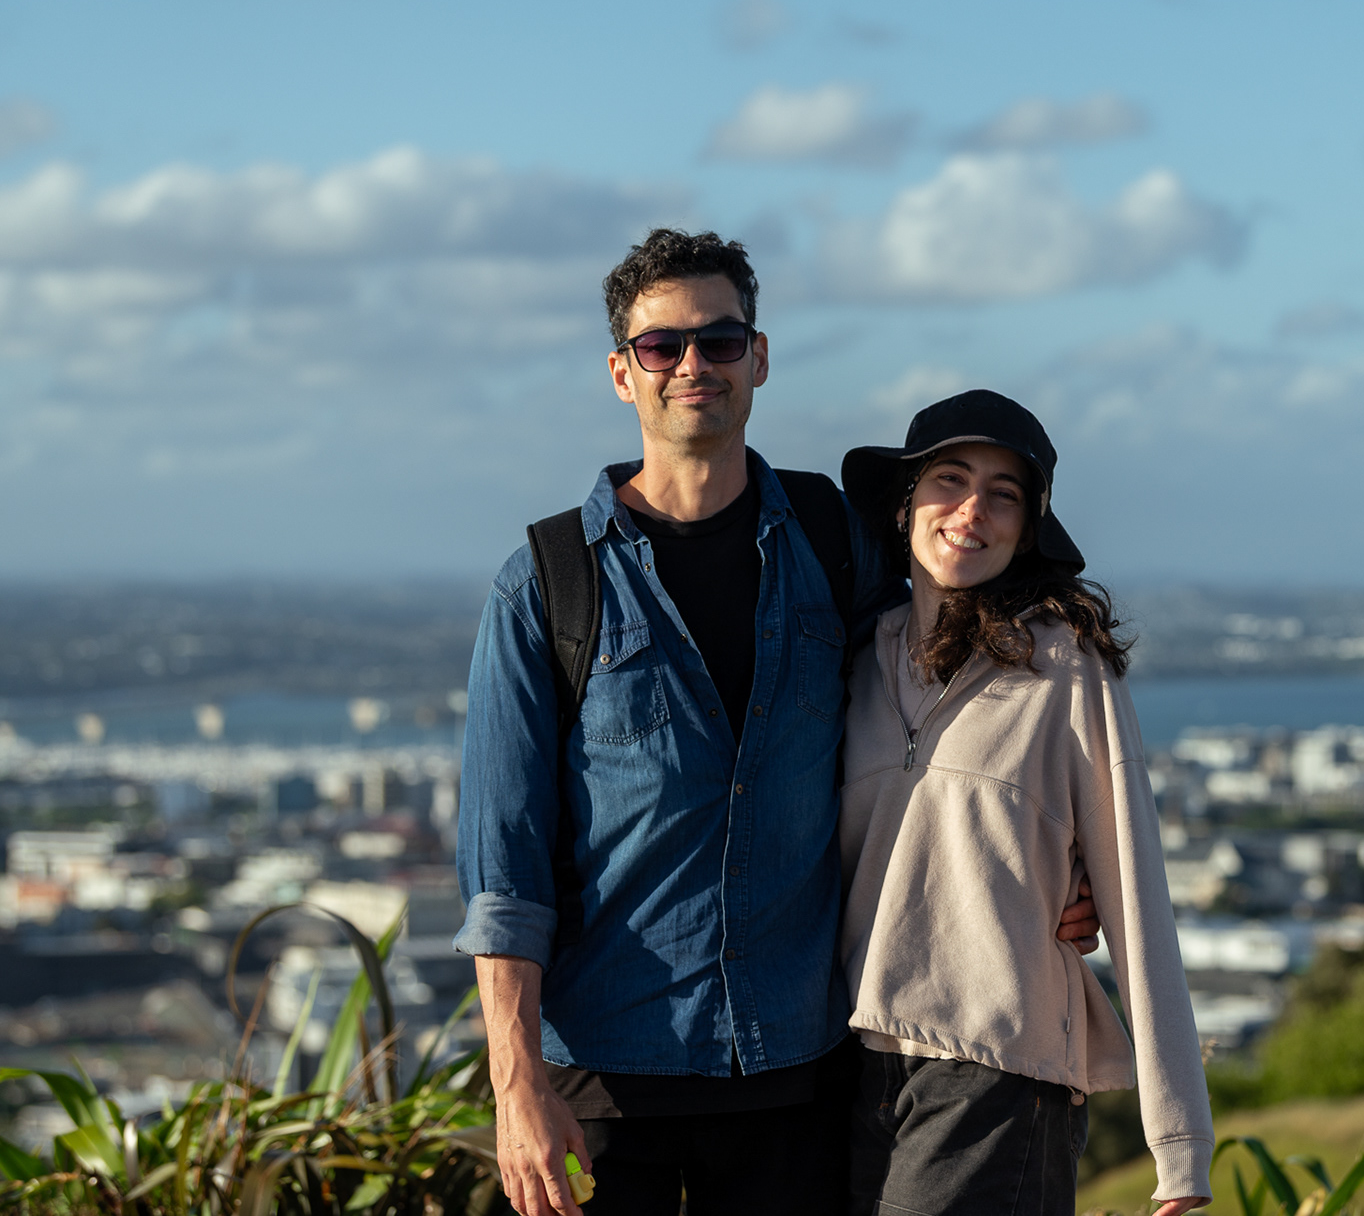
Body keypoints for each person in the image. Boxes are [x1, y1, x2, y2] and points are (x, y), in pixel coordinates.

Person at [453, 231, 1100, 1216]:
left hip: (796, 1079)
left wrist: (1063, 854)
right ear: (623, 373)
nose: (694, 365)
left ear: (758, 357)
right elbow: (504, 875)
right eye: (662, 346)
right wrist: (515, 1091)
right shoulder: (547, 584)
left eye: (719, 340)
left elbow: (952, 683)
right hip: (605, 1083)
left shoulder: (832, 539)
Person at [837, 390, 1213, 1216]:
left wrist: (1179, 1140)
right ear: (904, 504)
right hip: (853, 1067)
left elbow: (1136, 892)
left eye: (1003, 494)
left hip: (998, 1072)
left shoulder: (1065, 669)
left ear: (1027, 527)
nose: (972, 510)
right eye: (949, 478)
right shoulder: (853, 663)